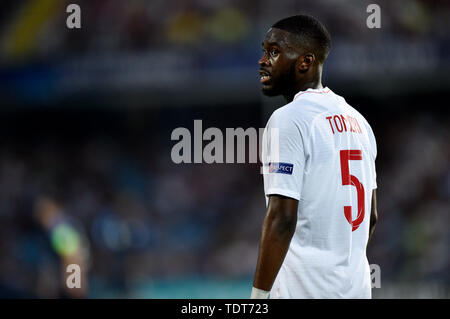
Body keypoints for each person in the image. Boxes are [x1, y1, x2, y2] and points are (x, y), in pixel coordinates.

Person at [251, 15, 378, 299]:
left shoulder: (288, 119)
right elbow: (371, 215)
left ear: (305, 62)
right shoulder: (359, 121)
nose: (262, 60)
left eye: (274, 52)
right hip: (356, 290)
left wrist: (257, 299)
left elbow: (282, 219)